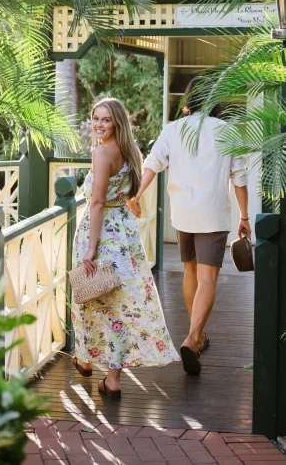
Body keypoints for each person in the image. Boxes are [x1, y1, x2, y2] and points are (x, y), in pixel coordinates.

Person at [130, 78, 250, 376]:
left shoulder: (173, 129)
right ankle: (193, 337)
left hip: (183, 213)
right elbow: (239, 177)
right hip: (212, 213)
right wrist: (244, 217)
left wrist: (137, 195)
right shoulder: (227, 130)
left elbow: (152, 164)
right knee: (208, 278)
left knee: (190, 270)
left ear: (188, 100)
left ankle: (198, 334)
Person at [71, 97, 179, 400]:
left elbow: (97, 202)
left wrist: (91, 248)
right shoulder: (131, 152)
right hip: (125, 237)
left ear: (117, 122)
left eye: (105, 119)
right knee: (120, 307)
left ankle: (85, 359)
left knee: (88, 297)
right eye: (95, 118)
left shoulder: (101, 153)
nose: (98, 124)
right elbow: (128, 194)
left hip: (101, 234)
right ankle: (113, 379)